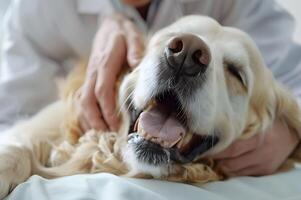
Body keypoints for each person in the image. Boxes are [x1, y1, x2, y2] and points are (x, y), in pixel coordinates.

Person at [1, 0, 300, 177]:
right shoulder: (34, 9)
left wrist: (293, 132)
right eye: (172, 43)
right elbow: (11, 121)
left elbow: (294, 75)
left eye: (235, 71)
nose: (186, 56)